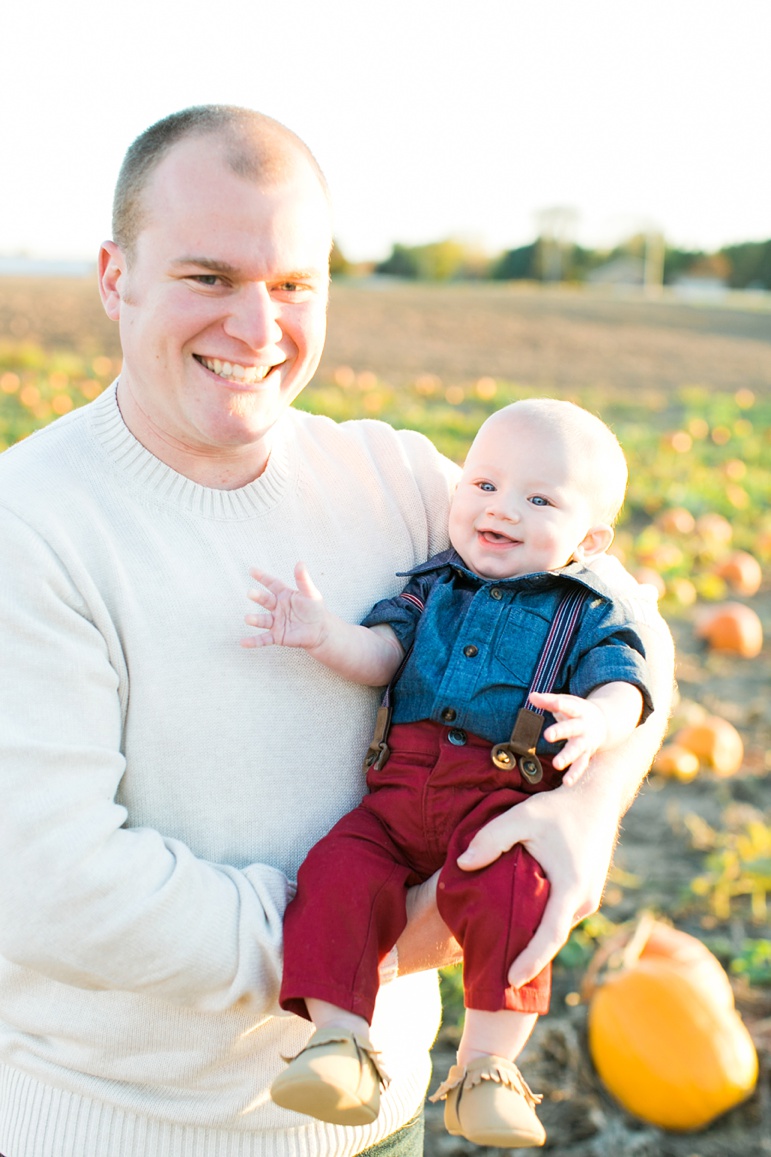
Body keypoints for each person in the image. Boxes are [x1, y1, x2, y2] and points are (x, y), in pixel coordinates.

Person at [0, 104, 673, 1157]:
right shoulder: (30, 525)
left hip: (383, 1120)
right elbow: (53, 883)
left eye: (293, 286)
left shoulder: (396, 476)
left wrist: (587, 808)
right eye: (209, 278)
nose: (258, 330)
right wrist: (378, 936)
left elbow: (621, 619)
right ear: (112, 276)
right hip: (123, 1129)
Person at [242, 399, 654, 1148]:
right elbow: (381, 656)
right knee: (337, 871)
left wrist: (602, 720)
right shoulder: (431, 586)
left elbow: (626, 678)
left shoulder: (584, 610)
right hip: (395, 798)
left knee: (509, 891)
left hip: (493, 800)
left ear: (589, 540)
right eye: (484, 484)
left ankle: (486, 1066)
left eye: (538, 499)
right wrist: (321, 632)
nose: (502, 509)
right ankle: (339, 1043)